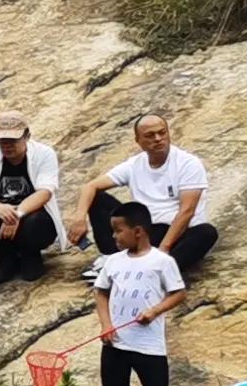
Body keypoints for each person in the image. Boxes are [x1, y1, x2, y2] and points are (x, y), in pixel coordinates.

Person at [87, 202, 187, 386]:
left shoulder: (162, 262)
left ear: (139, 231)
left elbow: (178, 293)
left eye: (119, 231)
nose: (114, 236)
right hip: (116, 341)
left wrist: (154, 311)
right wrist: (106, 324)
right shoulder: (113, 262)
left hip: (149, 343)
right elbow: (100, 292)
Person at [87, 112, 220, 272]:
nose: (158, 139)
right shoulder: (134, 164)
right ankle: (111, 260)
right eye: (150, 135)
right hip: (145, 231)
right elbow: (90, 187)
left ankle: (156, 272)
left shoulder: (188, 164)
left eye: (162, 133)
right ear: (138, 140)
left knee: (206, 232)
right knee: (98, 199)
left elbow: (187, 211)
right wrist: (79, 219)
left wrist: (163, 249)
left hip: (176, 233)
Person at [0, 114, 62, 284]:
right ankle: (5, 257)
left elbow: (45, 192)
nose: (7, 146)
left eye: (13, 140)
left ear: (27, 136)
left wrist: (17, 214)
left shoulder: (44, 154)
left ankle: (30, 254)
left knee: (37, 222)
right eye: (2, 141)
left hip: (32, 215)